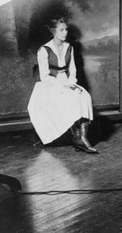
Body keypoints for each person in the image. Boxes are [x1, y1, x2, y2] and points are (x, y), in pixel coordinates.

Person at [27, 17, 98, 153]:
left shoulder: (69, 47)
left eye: (66, 29)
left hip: (66, 81)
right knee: (70, 100)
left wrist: (71, 83)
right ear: (54, 31)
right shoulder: (44, 50)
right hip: (49, 84)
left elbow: (72, 70)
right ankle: (78, 138)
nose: (65, 32)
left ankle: (81, 137)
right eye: (61, 30)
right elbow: (44, 76)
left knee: (85, 97)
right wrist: (61, 85)